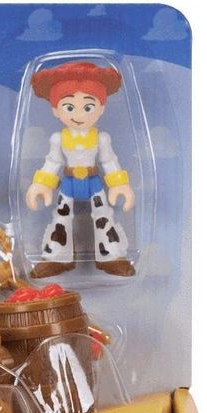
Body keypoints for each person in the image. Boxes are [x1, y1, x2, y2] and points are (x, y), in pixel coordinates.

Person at [26, 61, 136, 278]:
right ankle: (58, 256)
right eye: (69, 107)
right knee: (61, 215)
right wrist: (41, 184)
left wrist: (119, 185)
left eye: (88, 107)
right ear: (56, 110)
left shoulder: (101, 138)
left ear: (101, 108)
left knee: (103, 214)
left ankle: (111, 255)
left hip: (93, 181)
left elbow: (109, 161)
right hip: (68, 183)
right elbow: (53, 162)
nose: (79, 114)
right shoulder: (58, 139)